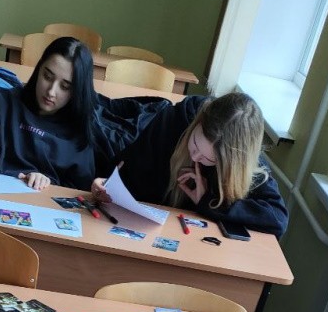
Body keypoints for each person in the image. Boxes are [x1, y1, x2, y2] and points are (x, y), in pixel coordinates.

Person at [92, 93, 288, 237]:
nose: (195, 156)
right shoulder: (171, 121)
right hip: (143, 231)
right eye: (194, 143)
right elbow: (128, 170)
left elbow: (277, 219)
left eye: (208, 159)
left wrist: (209, 202)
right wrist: (106, 184)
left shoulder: (248, 166)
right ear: (197, 122)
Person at [0, 36, 100, 192]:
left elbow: (77, 194)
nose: (51, 91)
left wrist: (49, 183)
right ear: (38, 69)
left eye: (65, 87)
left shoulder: (79, 132)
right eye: (47, 77)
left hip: (41, 205)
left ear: (77, 90)